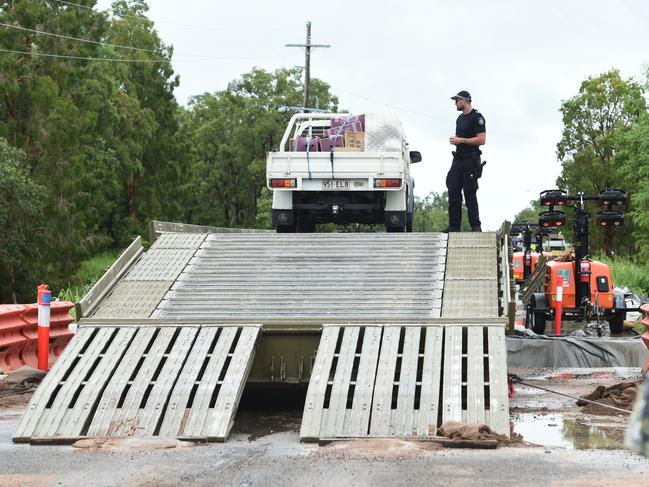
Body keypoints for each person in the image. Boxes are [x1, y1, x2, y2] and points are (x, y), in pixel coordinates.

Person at [446, 90, 486, 232]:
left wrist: (461, 140)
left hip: (471, 159)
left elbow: (482, 139)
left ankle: (475, 226)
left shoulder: (477, 117)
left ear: (464, 100)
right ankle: (454, 226)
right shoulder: (459, 119)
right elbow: (460, 138)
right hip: (458, 160)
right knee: (453, 190)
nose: (455, 103)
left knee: (470, 193)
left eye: (456, 100)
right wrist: (457, 142)